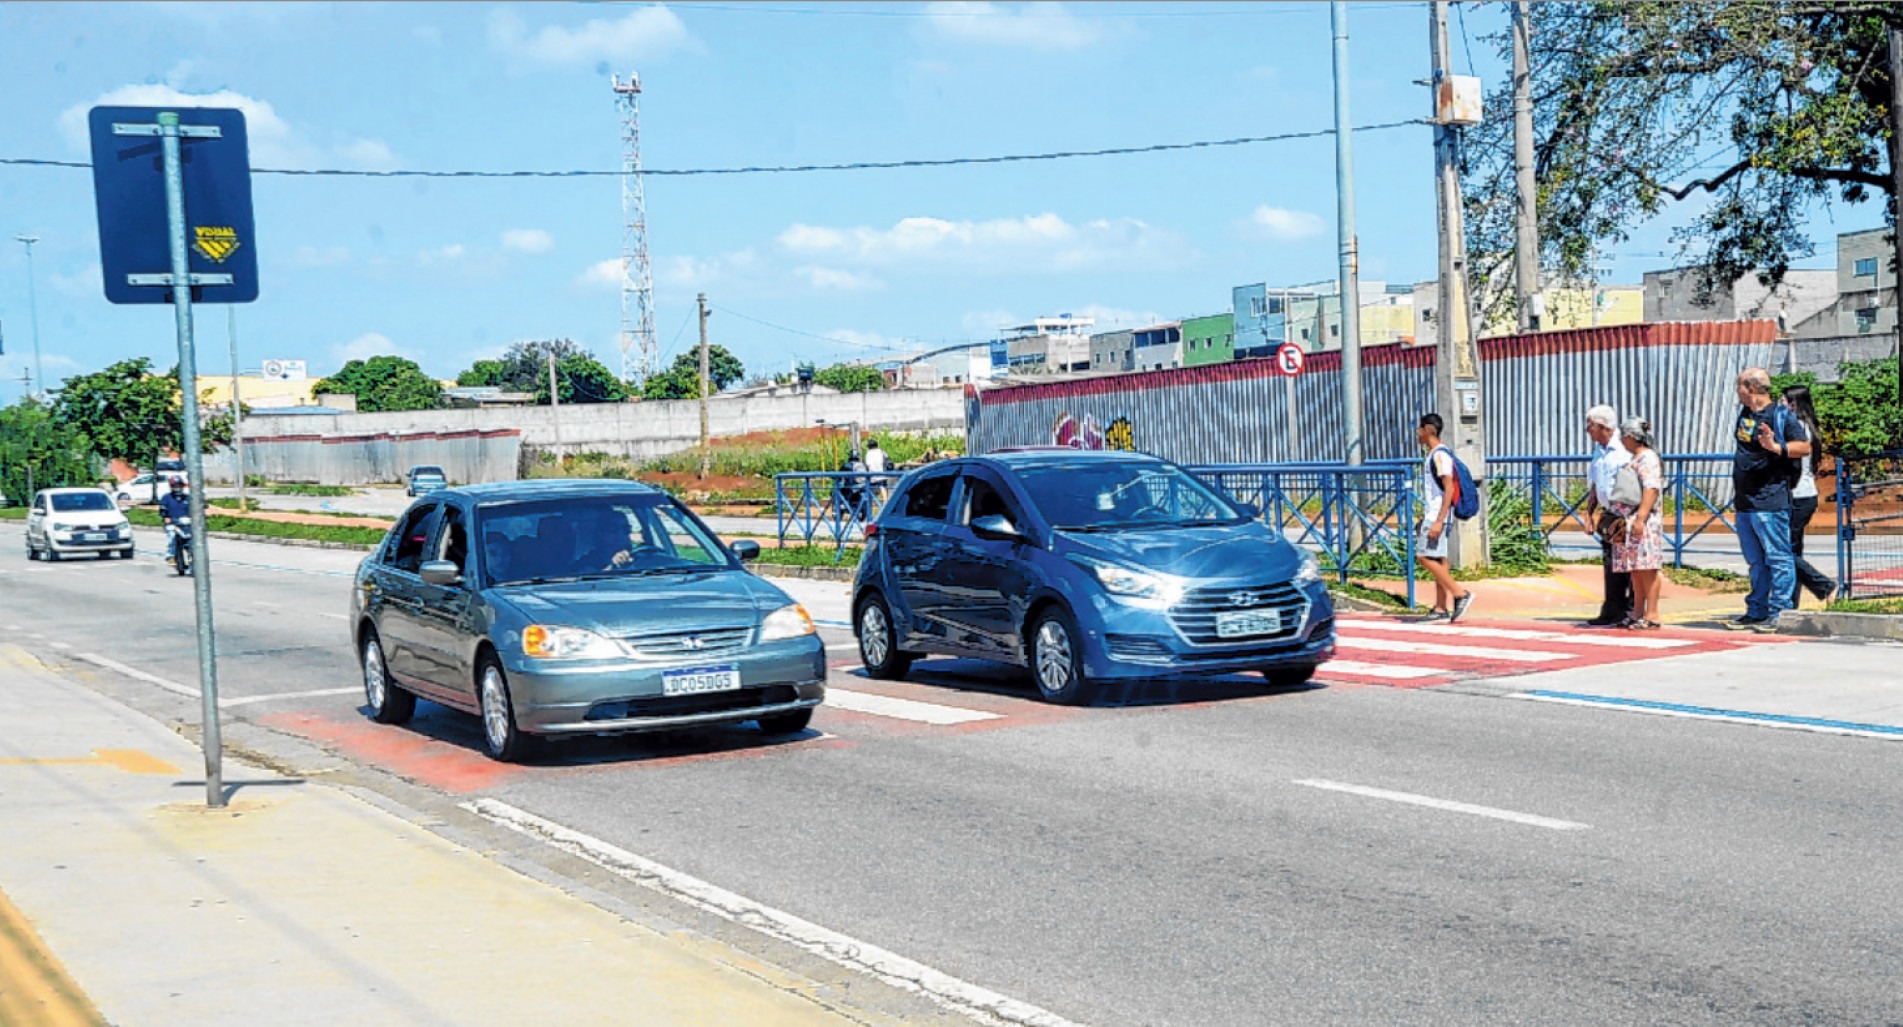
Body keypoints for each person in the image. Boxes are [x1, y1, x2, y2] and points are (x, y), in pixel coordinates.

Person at [1729, 367, 1811, 631]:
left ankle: (1779, 610)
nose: (1737, 391)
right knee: (1755, 560)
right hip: (1745, 501)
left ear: (1752, 389)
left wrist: (1777, 447)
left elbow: (1804, 446)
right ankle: (1756, 609)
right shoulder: (1746, 414)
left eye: (1740, 386)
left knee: (1778, 557)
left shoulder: (1781, 415)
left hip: (1770, 500)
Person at [1415, 413, 1474, 623]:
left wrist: (1438, 520)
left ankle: (1460, 594)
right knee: (1439, 560)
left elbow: (1449, 488)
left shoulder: (1440, 455)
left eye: (1420, 429)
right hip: (1435, 514)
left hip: (1438, 516)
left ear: (1429, 429)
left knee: (1423, 557)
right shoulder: (1434, 455)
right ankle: (1440, 607)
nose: (1417, 433)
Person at [1781, 384, 1837, 605]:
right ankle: (1792, 601)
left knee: (1783, 550)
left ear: (1793, 404)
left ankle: (1824, 586)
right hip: (1805, 494)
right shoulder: (1808, 427)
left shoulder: (1798, 429)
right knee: (1793, 550)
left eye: (1783, 401)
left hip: (1798, 495)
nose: (1780, 405)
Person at [1581, 404, 1634, 627]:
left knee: (1628, 564)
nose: (1587, 430)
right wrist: (1589, 511)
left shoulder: (1623, 450)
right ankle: (1612, 608)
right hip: (1608, 512)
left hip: (1625, 511)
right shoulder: (1599, 451)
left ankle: (1631, 609)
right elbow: (1596, 484)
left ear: (1603, 427)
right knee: (1610, 563)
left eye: (1590, 426)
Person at [1610, 417, 1665, 629]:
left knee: (1647, 567)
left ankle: (1652, 613)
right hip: (1629, 519)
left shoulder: (1647, 458)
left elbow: (1651, 488)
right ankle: (1637, 611)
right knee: (1635, 567)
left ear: (1631, 437)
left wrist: (1641, 518)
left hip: (1643, 519)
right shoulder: (1636, 458)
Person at [158, 477, 191, 566]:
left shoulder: (188, 497)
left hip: (187, 524)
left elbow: (194, 509)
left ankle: (193, 559)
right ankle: (170, 556)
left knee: (193, 540)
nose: (177, 488)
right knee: (172, 536)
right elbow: (163, 509)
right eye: (175, 486)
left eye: (179, 485)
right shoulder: (166, 497)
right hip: (172, 523)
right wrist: (166, 518)